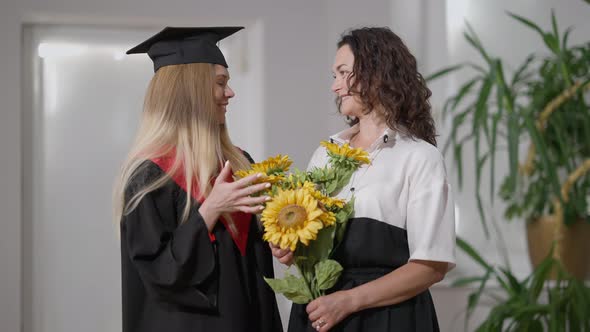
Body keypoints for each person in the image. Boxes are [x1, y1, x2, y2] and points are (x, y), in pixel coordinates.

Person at [272, 27, 456, 331]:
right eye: (334, 75)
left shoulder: (420, 158)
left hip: (387, 319)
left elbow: (431, 267)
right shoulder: (325, 153)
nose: (335, 87)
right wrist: (292, 249)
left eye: (343, 73)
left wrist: (348, 301)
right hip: (320, 314)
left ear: (377, 73)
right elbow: (313, 249)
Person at [114, 26, 283, 332]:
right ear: (191, 91)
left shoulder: (239, 163)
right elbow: (160, 275)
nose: (230, 93)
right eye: (221, 83)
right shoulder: (150, 177)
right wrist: (209, 211)